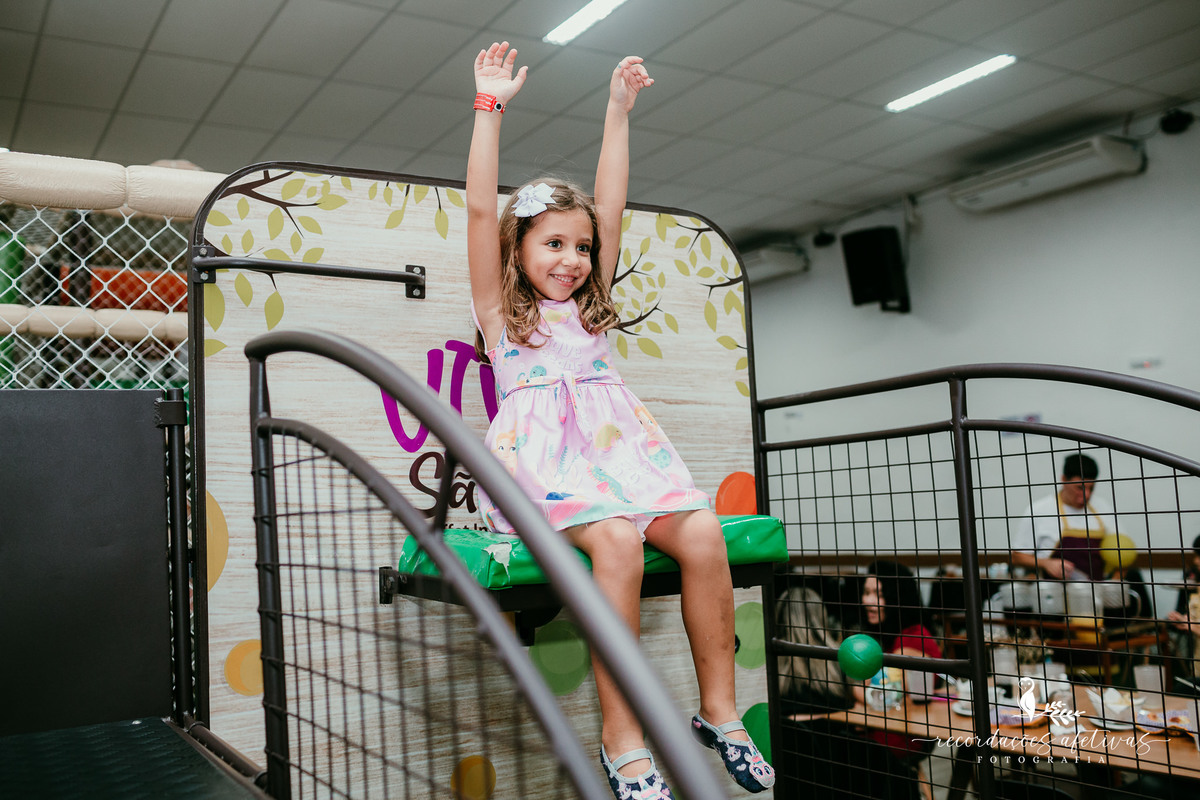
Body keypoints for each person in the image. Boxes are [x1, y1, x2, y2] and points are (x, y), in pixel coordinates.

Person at [465, 42, 773, 799]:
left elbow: (611, 201)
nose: (570, 258)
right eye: (552, 243)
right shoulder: (501, 314)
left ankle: (720, 711)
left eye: (580, 246)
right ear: (519, 247)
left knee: (700, 531)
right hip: (550, 468)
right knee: (614, 544)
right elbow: (478, 206)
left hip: (624, 457)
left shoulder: (590, 303)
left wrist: (617, 111)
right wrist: (489, 107)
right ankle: (622, 735)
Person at [848, 562, 942, 800]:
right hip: (883, 726)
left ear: (897, 597)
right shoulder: (883, 636)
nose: (868, 601)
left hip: (904, 734)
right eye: (866, 592)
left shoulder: (913, 637)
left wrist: (862, 689)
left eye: (879, 595)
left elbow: (877, 693)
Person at [1011, 453, 1120, 581]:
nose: (1086, 495)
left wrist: (1116, 580)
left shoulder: (1102, 507)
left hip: (1094, 594)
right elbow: (1016, 557)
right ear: (1063, 480)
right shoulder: (1040, 510)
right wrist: (1046, 563)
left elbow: (1121, 551)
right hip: (1053, 594)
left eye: (1091, 488)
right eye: (1079, 488)